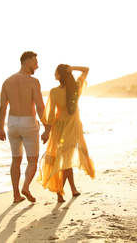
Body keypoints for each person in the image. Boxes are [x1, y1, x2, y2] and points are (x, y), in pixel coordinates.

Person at [38, 64, 95, 202]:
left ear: (60, 75)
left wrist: (47, 131)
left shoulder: (54, 92)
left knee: (66, 158)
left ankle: (60, 192)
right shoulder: (76, 87)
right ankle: (71, 189)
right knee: (67, 158)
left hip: (60, 127)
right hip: (73, 126)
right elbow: (86, 69)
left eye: (55, 72)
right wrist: (73, 68)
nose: (54, 74)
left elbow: (50, 115)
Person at [0, 51, 49, 203]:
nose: (37, 67)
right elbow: (40, 107)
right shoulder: (33, 82)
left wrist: (1, 128)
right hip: (28, 122)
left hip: (12, 122)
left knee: (16, 160)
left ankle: (16, 196)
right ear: (27, 64)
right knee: (32, 160)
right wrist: (47, 127)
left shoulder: (7, 81)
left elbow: (2, 107)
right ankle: (25, 187)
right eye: (35, 64)